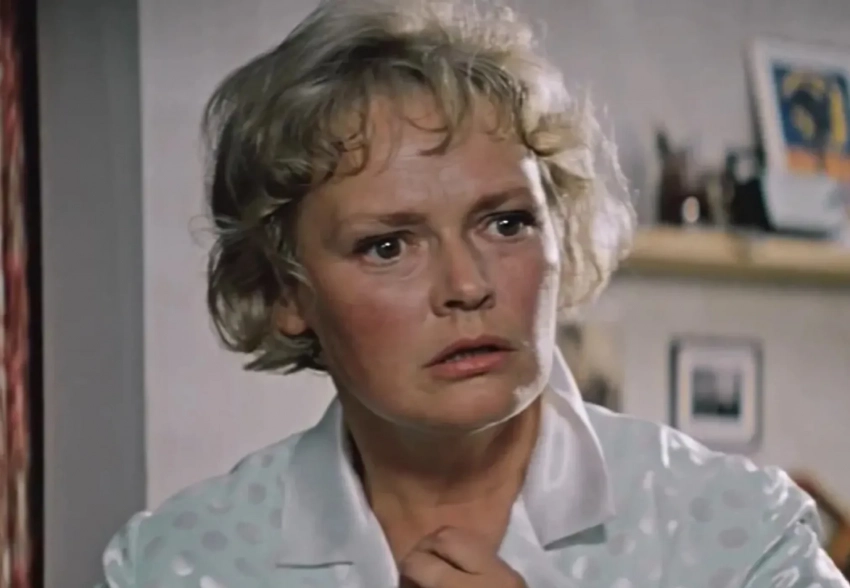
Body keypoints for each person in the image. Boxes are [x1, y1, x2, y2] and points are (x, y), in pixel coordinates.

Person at [100, 0, 848, 586]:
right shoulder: (178, 563)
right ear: (284, 290)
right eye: (387, 245)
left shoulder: (738, 532)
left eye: (506, 223)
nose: (467, 286)